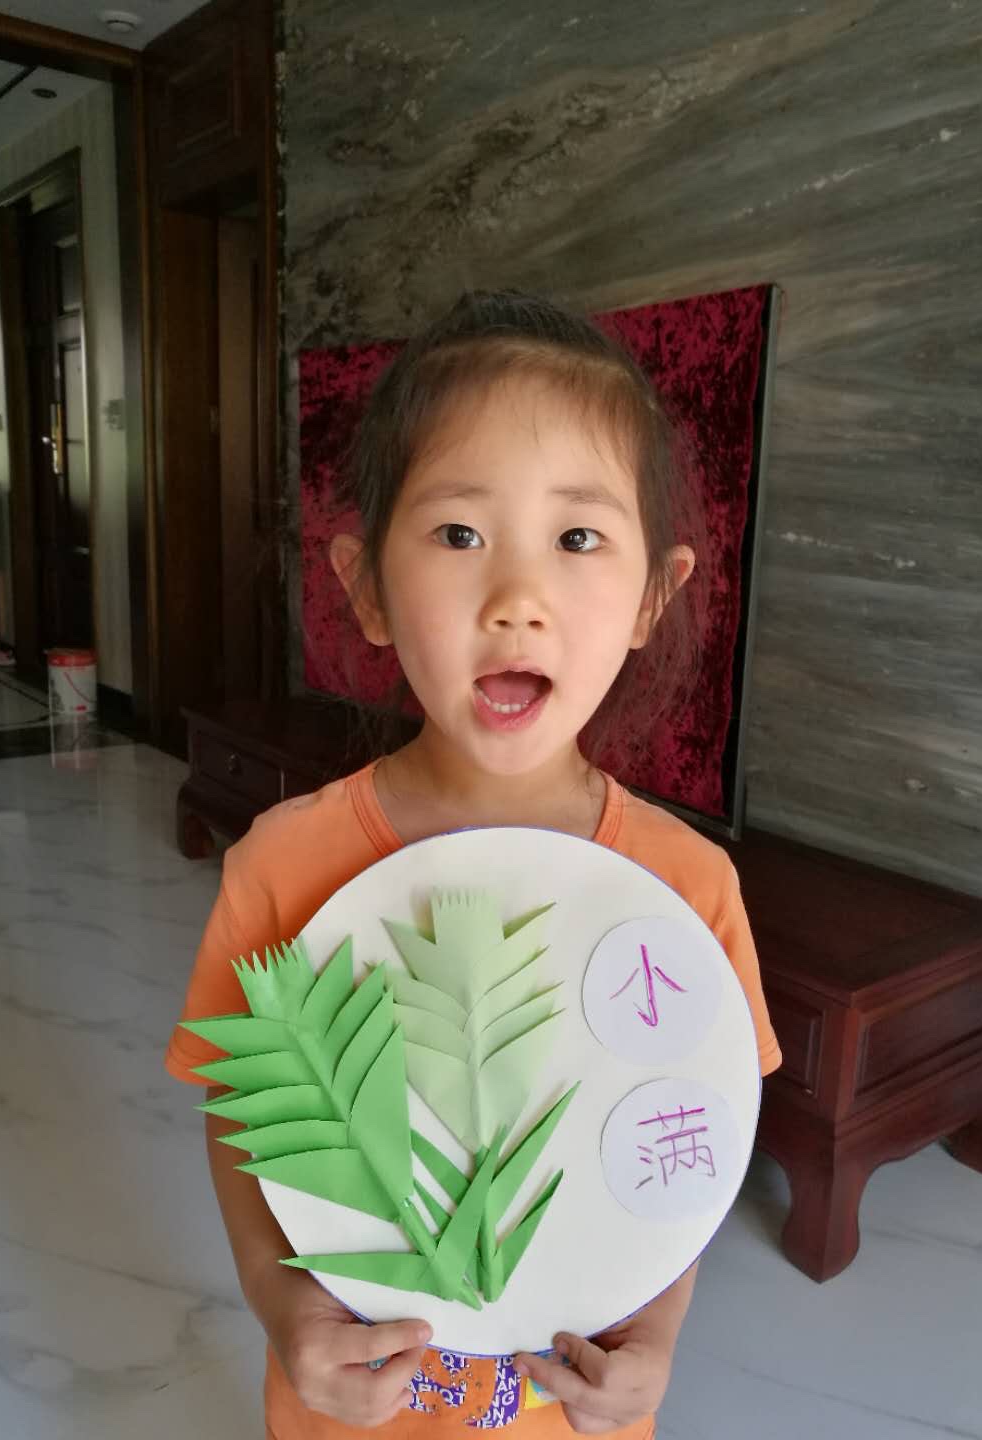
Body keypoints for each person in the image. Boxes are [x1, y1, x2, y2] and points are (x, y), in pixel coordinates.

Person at [165, 289, 782, 1440]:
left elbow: (687, 1138)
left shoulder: (689, 887)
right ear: (366, 586)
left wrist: (657, 1337)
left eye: (578, 538)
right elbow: (246, 1113)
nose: (517, 601)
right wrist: (278, 1302)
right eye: (459, 534)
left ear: (653, 596)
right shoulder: (284, 864)